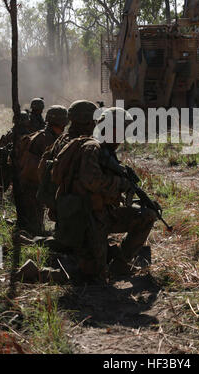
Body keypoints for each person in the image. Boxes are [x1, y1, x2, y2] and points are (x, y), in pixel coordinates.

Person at [45, 102, 157, 281]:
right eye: (121, 131)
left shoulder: (106, 150)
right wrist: (120, 183)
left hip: (103, 214)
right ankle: (36, 272)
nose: (123, 136)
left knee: (147, 215)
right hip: (87, 220)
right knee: (93, 277)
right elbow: (92, 181)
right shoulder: (92, 148)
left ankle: (120, 264)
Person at [18, 105, 68, 236]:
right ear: (59, 123)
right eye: (63, 124)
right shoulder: (46, 139)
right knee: (34, 229)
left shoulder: (45, 135)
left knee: (35, 224)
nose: (64, 128)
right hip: (32, 185)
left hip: (33, 184)